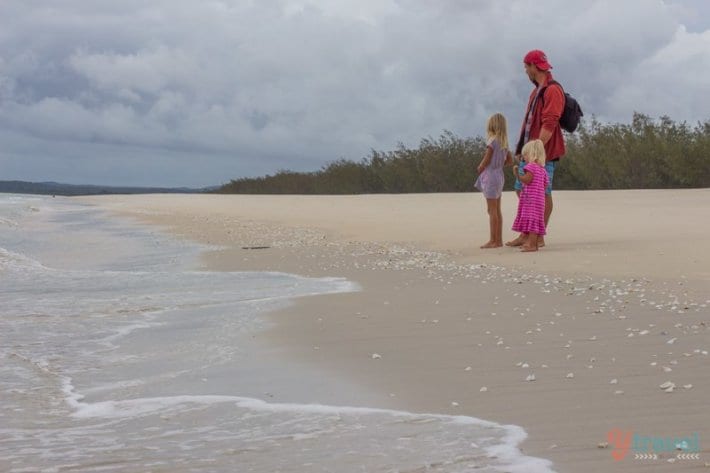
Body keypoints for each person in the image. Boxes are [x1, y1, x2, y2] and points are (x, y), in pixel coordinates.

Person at [506, 49, 566, 248]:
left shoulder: (552, 90)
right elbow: (530, 122)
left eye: (526, 67)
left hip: (543, 154)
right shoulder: (536, 90)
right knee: (520, 188)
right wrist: (521, 149)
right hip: (530, 151)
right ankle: (526, 232)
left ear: (534, 67)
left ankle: (538, 235)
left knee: (542, 192)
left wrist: (535, 152)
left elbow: (550, 123)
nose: (525, 71)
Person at [475, 113, 513, 248]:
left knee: (491, 210)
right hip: (499, 175)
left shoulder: (492, 141)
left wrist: (481, 167)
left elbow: (487, 157)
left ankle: (493, 240)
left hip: (491, 176)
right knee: (497, 209)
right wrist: (499, 164)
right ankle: (499, 240)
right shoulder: (504, 143)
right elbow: (510, 160)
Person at [511, 139, 548, 252]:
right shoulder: (542, 169)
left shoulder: (531, 166)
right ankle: (533, 244)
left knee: (531, 221)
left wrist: (517, 175)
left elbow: (527, 180)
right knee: (535, 221)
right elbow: (545, 184)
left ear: (531, 154)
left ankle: (532, 245)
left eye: (525, 155)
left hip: (531, 200)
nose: (524, 158)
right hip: (539, 200)